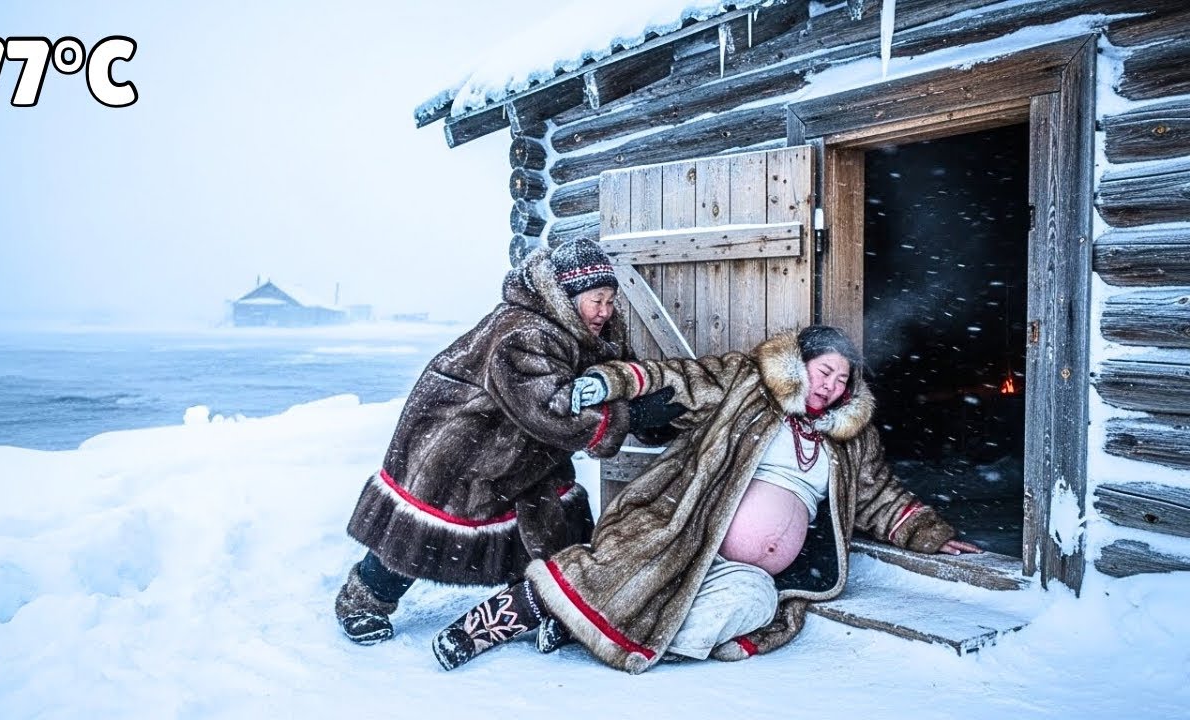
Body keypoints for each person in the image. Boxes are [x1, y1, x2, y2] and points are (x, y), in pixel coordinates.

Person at [431, 324, 982, 673]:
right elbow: (682, 378)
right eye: (824, 371)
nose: (832, 386)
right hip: (689, 526)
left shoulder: (851, 440)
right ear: (801, 365)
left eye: (843, 380)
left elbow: (878, 496)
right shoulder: (749, 384)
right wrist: (615, 382)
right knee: (611, 573)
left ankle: (589, 634)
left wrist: (928, 533)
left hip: (749, 573)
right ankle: (481, 628)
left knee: (754, 607)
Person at [335, 238, 687, 645]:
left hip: (522, 443)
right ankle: (363, 600)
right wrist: (635, 417)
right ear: (568, 296)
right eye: (596, 300)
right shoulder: (523, 332)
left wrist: (654, 414)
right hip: (460, 441)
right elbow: (550, 407)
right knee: (427, 529)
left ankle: (558, 602)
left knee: (557, 515)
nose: (605, 311)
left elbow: (615, 381)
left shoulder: (596, 332)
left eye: (610, 299)